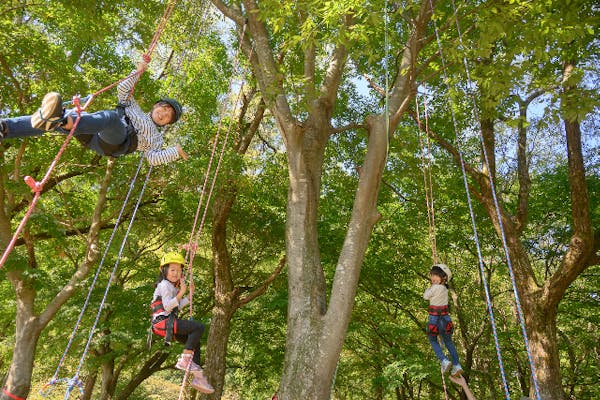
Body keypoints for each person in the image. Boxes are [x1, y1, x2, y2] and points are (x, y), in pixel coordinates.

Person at [0, 56, 188, 166]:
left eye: (167, 117)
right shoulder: (133, 106)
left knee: (111, 118)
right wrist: (138, 71)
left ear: (166, 124)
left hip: (115, 141)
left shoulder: (156, 137)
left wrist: (175, 151)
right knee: (60, 120)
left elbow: (153, 159)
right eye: (163, 108)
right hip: (93, 130)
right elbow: (123, 89)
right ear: (156, 106)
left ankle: (66, 120)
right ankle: (6, 128)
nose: (163, 114)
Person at [151, 251, 214, 394]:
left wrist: (189, 295)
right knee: (198, 327)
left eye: (179, 271)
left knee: (194, 341)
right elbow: (167, 306)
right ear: (164, 270)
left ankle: (198, 376)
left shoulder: (172, 287)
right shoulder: (164, 285)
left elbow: (176, 306)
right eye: (172, 270)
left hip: (167, 323)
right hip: (162, 322)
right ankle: (185, 360)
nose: (175, 273)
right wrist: (182, 292)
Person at [423, 263, 463, 377]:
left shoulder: (434, 288)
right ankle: (457, 365)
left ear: (444, 278)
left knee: (433, 340)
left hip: (434, 319)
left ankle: (444, 360)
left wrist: (429, 288)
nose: (433, 278)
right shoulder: (445, 289)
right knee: (448, 342)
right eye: (432, 275)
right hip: (446, 320)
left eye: (436, 276)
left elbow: (425, 296)